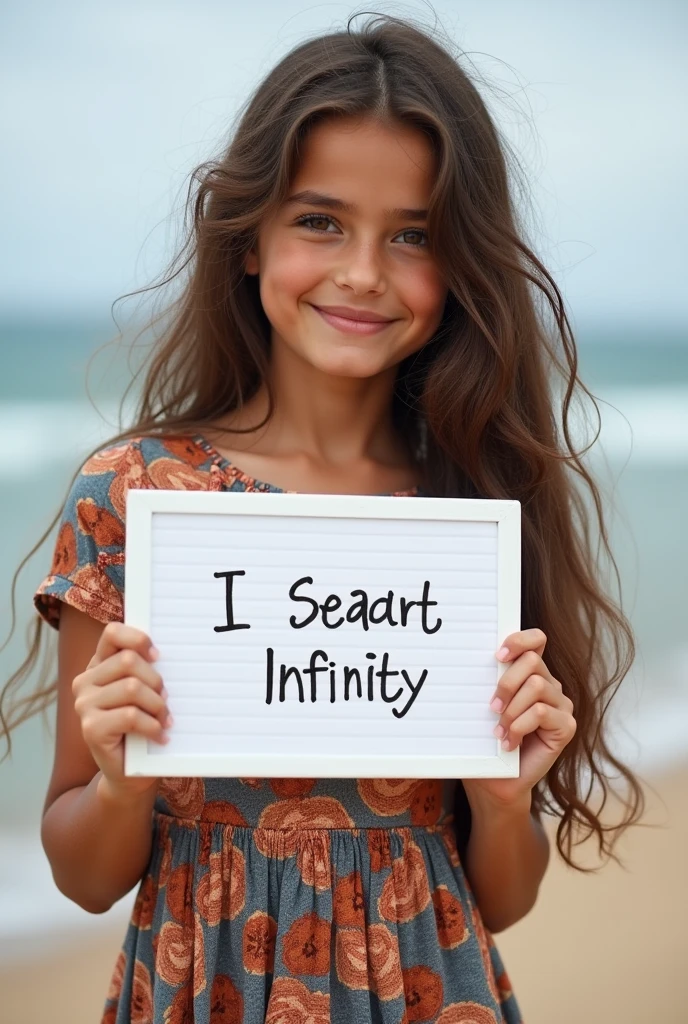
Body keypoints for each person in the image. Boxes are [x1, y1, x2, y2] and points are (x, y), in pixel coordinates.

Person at [1, 13, 645, 1024]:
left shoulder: (465, 510)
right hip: (201, 984)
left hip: (430, 991)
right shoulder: (136, 492)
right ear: (248, 237)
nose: (361, 273)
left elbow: (502, 899)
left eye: (413, 236)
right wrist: (123, 786)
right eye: (320, 221)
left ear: (460, 264)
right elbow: (83, 875)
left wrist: (508, 797)